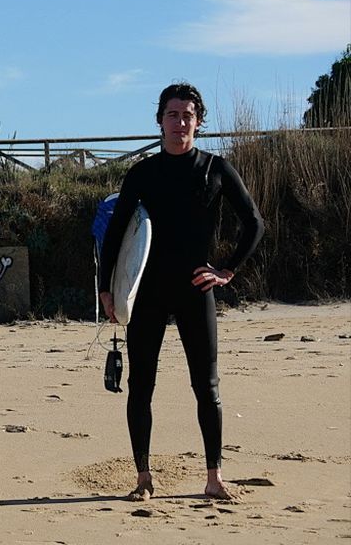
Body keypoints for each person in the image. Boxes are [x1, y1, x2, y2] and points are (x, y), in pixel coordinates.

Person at [98, 82, 264, 502]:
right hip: (148, 292)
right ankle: (143, 477)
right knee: (142, 387)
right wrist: (108, 289)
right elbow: (116, 234)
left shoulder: (215, 169)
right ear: (159, 121)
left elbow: (255, 223)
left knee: (206, 386)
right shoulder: (142, 173)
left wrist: (226, 270)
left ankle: (214, 477)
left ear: (199, 122)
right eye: (172, 115)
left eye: (188, 115)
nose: (180, 122)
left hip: (195, 290)